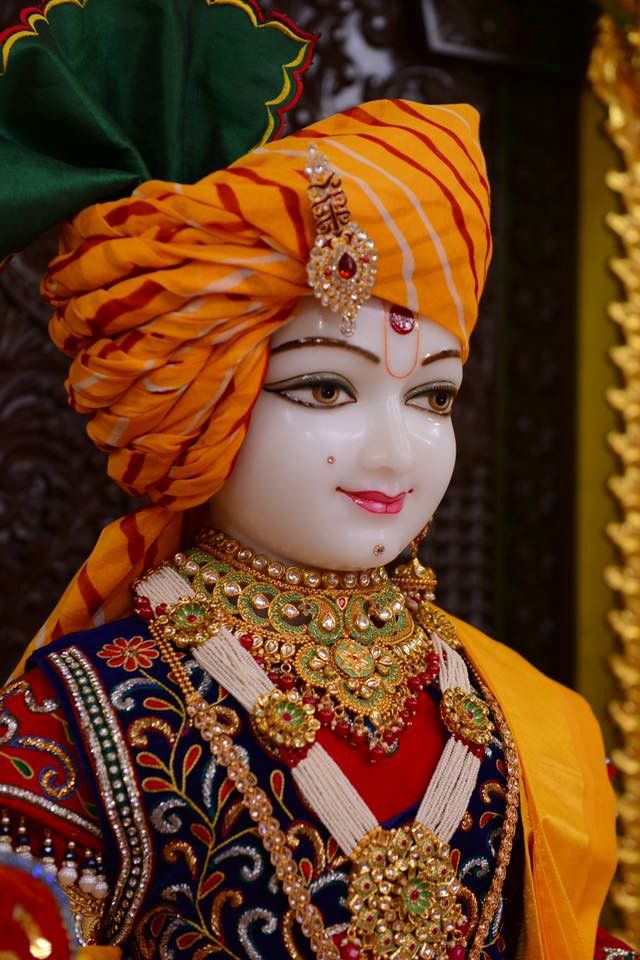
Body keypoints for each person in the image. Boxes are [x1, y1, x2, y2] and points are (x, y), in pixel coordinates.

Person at [0, 1, 634, 958]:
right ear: (198, 404)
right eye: (325, 388)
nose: (395, 452)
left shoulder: (528, 713)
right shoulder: (77, 719)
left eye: (433, 398)